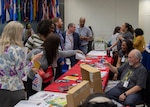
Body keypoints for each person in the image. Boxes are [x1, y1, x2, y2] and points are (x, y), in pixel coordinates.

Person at [26, 33, 83, 98]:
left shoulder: (54, 53)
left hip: (45, 80)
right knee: (32, 98)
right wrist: (32, 68)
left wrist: (76, 51)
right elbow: (27, 60)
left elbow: (65, 53)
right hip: (33, 80)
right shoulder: (37, 51)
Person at [0, 21, 42, 107]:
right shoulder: (17, 50)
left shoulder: (2, 48)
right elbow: (22, 74)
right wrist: (33, 61)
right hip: (14, 89)